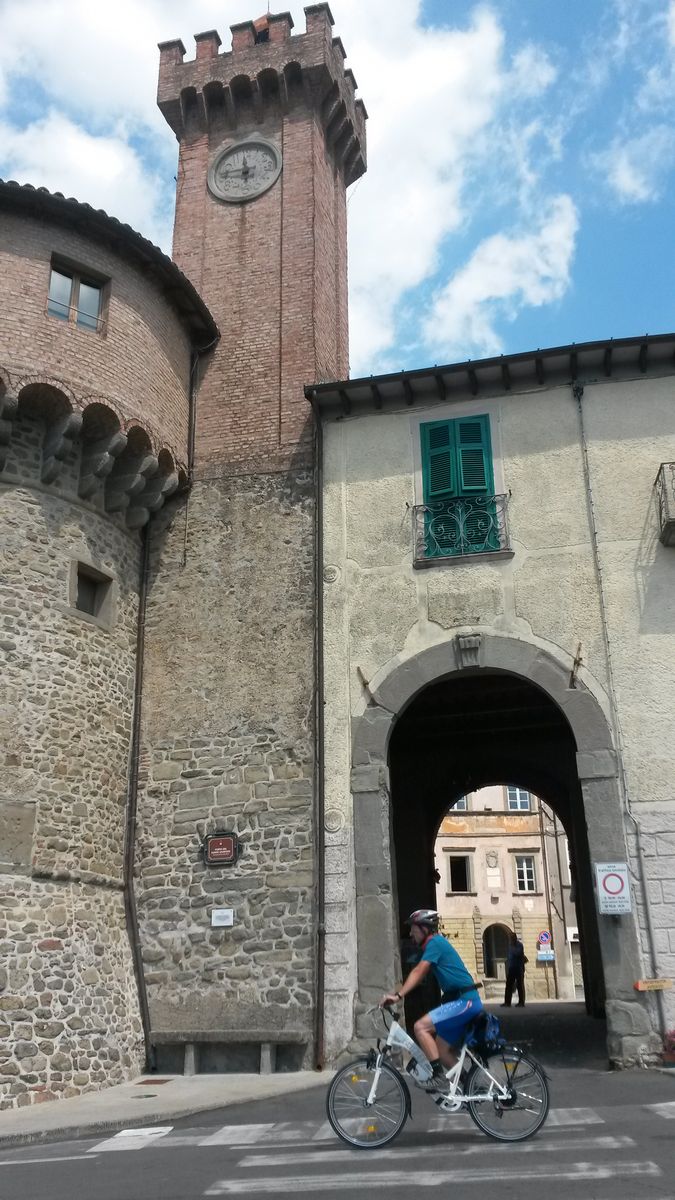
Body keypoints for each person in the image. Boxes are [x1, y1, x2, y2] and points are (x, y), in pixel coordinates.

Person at [380, 908, 483, 1089]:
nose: (411, 932)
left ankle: (438, 1077)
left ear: (424, 928)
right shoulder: (433, 945)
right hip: (460, 1001)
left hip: (465, 1001)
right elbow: (418, 974)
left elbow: (419, 971)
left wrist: (398, 995)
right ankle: (469, 1087)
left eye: (413, 928)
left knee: (420, 1027)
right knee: (442, 1051)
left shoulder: (434, 943)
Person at [501, 929, 527, 1007]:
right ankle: (507, 1002)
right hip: (512, 968)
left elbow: (518, 953)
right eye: (510, 938)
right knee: (508, 985)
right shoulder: (510, 946)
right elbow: (509, 957)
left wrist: (512, 948)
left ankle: (521, 1002)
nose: (510, 939)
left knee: (520, 986)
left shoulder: (519, 945)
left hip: (519, 967)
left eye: (511, 938)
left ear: (515, 938)